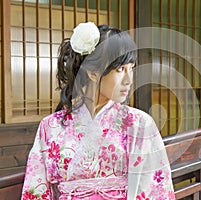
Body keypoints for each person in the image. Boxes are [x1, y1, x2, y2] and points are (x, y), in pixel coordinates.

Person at [21, 22, 175, 200]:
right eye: (120, 70)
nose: (129, 80)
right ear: (93, 72)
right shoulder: (50, 126)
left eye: (131, 69)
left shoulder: (138, 123)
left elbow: (156, 190)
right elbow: (36, 189)